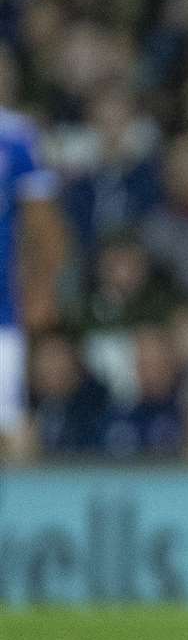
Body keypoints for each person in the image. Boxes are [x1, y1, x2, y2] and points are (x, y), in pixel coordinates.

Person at [0, 107, 68, 461]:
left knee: (9, 426)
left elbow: (46, 226)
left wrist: (42, 287)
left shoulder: (14, 135)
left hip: (3, 314)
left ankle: (18, 514)